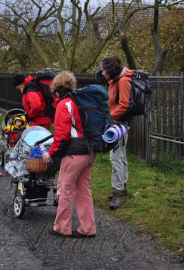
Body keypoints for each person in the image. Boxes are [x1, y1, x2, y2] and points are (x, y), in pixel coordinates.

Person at [42, 71, 96, 238]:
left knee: (64, 190)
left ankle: (62, 227)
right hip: (89, 152)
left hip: (74, 154)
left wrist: (50, 153)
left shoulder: (64, 104)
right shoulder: (80, 101)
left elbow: (61, 135)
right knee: (83, 190)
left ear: (56, 86)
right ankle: (88, 228)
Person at [100, 56, 133, 210]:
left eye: (104, 70)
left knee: (115, 157)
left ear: (111, 70)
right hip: (118, 123)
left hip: (119, 125)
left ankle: (118, 191)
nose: (101, 73)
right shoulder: (115, 80)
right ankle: (123, 187)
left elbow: (124, 105)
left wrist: (109, 118)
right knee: (121, 156)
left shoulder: (123, 81)